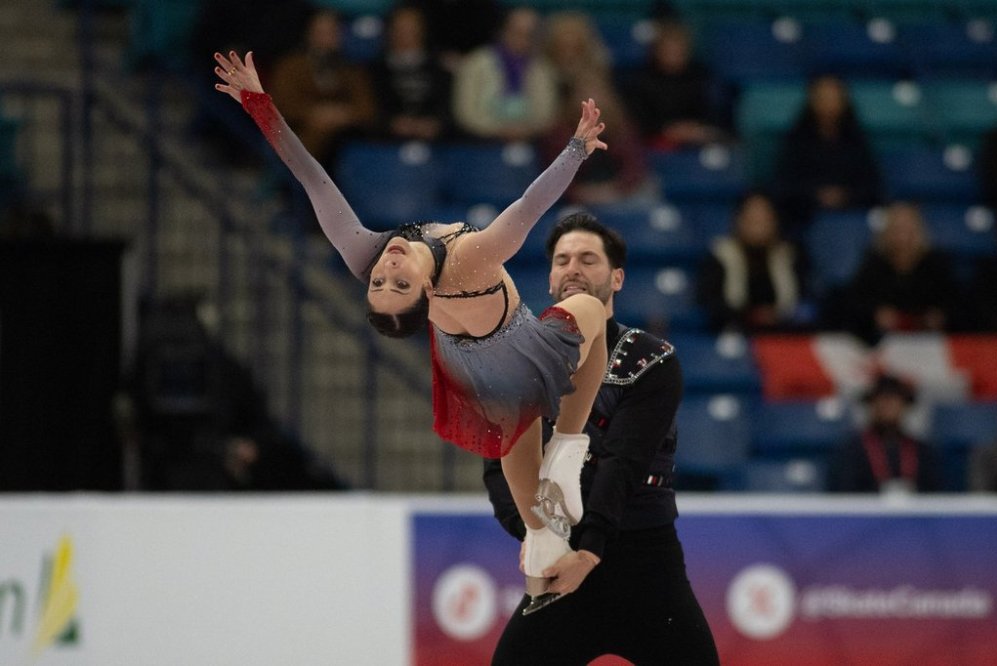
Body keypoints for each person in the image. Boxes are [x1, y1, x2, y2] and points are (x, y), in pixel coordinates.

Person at [214, 50, 609, 610]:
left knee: (520, 454)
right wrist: (576, 148)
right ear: (425, 294)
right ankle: (568, 447)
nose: (387, 268)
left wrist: (257, 102)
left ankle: (544, 543)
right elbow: (529, 206)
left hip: (465, 357)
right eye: (396, 283)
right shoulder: (471, 259)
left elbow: (312, 177)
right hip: (508, 342)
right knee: (589, 310)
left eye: (379, 280)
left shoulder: (365, 252)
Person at [484, 213, 720, 664]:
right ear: (551, 278)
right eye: (562, 260)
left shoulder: (651, 360)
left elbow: (622, 461)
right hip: (559, 557)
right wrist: (535, 533)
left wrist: (588, 552)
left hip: (645, 564)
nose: (573, 267)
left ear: (616, 277)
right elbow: (499, 465)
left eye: (588, 259)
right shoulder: (520, 364)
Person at [539, 11, 654, 206]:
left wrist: (614, 191)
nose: (593, 100)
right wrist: (582, 195)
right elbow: (556, 175)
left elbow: (634, 169)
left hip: (619, 196)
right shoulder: (560, 132)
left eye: (598, 93)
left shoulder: (621, 127)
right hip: (577, 199)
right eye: (584, 95)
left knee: (645, 193)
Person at [771, 74, 882, 236]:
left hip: (852, 218)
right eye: (823, 98)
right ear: (812, 101)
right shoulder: (796, 141)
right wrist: (816, 196)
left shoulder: (857, 141)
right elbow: (784, 186)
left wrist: (844, 196)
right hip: (803, 218)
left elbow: (873, 187)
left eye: (834, 98)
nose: (828, 104)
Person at [268, 9, 377, 166]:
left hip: (344, 139)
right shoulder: (291, 66)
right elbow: (281, 105)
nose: (326, 38)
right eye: (321, 32)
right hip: (300, 136)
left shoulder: (351, 69)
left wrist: (341, 115)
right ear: (309, 34)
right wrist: (315, 113)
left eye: (332, 32)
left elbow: (367, 108)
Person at [842, 201, 959, 344]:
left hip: (931, 345)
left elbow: (955, 303)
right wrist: (875, 314)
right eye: (897, 229)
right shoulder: (874, 263)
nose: (903, 236)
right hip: (882, 344)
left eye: (909, 229)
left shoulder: (936, 263)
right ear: (887, 232)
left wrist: (939, 316)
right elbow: (856, 303)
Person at [696, 190, 806, 333]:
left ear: (775, 221)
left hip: (784, 337)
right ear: (739, 220)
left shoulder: (790, 256)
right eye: (752, 219)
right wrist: (750, 316)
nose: (758, 225)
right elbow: (710, 304)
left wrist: (778, 316)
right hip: (733, 336)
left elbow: (804, 304)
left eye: (764, 218)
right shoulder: (720, 255)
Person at [451, 6, 557, 142]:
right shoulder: (476, 63)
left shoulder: (542, 68)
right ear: (503, 31)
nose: (523, 39)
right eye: (517, 32)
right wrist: (499, 129)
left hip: (531, 141)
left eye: (529, 34)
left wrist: (525, 129)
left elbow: (547, 114)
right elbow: (466, 112)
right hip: (481, 142)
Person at [828, 373, 941, 493]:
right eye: (882, 399)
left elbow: (937, 494)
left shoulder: (922, 451)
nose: (887, 406)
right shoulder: (852, 449)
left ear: (905, 406)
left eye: (894, 400)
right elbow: (843, 492)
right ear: (871, 405)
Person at [624, 19, 723, 151]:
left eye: (678, 49)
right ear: (657, 50)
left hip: (696, 141)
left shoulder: (702, 77)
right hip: (652, 144)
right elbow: (636, 121)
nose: (673, 54)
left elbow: (714, 115)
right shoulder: (640, 80)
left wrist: (692, 130)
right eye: (668, 49)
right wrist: (667, 131)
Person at [369, 4, 453, 142]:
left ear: (422, 30)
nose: (405, 33)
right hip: (385, 141)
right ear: (390, 31)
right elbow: (370, 109)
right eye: (400, 28)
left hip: (437, 142)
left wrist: (435, 124)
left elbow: (449, 110)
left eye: (411, 28)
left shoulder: (440, 69)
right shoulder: (375, 70)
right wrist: (390, 123)